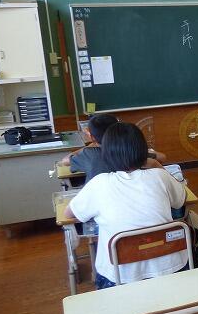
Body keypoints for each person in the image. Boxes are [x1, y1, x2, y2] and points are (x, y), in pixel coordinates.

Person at [64, 122, 189, 290]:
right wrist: (157, 166)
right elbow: (181, 200)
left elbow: (69, 214)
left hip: (119, 278)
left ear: (106, 153)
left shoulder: (99, 184)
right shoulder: (160, 176)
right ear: (143, 150)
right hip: (172, 269)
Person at [59, 113, 119, 180]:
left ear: (91, 137)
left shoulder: (89, 154)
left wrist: (93, 143)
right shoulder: (126, 149)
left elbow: (65, 161)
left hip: (97, 186)